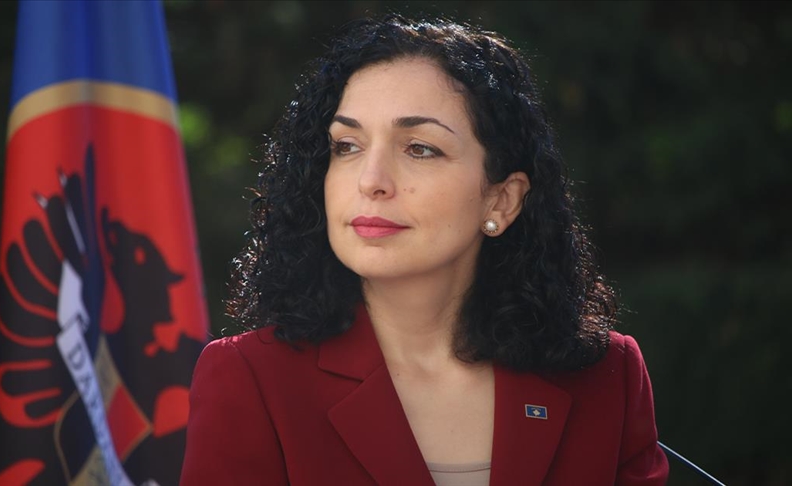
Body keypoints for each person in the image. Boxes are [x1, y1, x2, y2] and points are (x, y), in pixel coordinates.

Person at [180, 14, 669, 486]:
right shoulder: (251, 377)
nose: (370, 181)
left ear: (501, 199)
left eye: (419, 148)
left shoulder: (608, 375)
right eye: (346, 146)